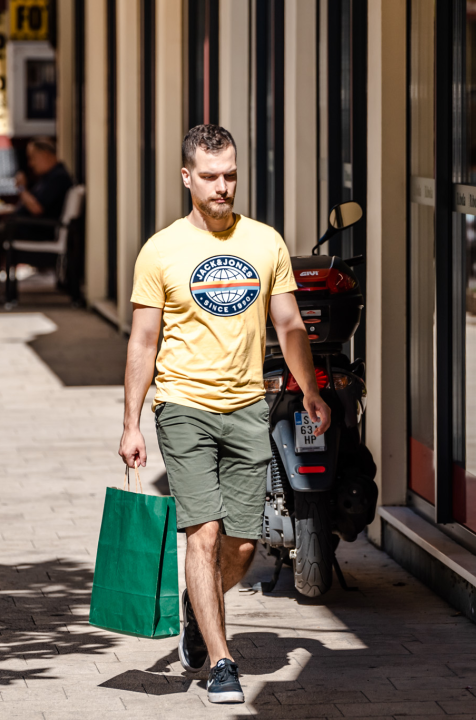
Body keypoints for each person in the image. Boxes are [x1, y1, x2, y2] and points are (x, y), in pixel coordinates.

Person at [118, 125, 331, 705]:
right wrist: (132, 421)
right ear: (187, 176)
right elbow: (143, 341)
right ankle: (221, 661)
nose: (222, 187)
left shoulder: (265, 242)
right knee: (203, 533)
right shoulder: (160, 250)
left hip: (246, 406)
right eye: (210, 176)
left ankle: (195, 605)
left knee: (241, 542)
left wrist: (309, 389)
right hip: (183, 407)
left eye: (230, 175)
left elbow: (288, 325)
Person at [0, 138, 73, 285]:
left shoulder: (58, 178)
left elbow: (36, 208)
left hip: (39, 231)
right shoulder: (47, 177)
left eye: (32, 158)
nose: (31, 164)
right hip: (29, 227)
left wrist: (22, 188)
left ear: (45, 155)